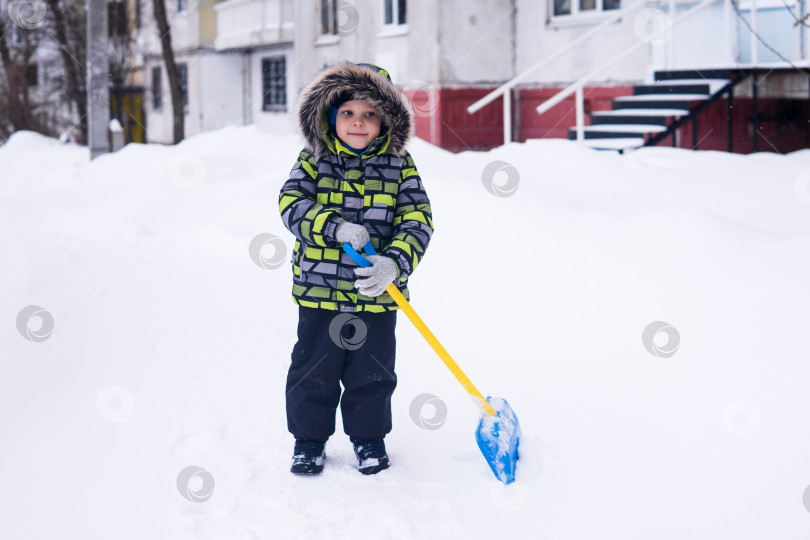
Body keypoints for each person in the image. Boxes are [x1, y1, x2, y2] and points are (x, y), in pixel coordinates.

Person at [278, 62, 434, 475]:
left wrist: (395, 263)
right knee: (314, 370)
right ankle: (309, 441)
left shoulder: (400, 164)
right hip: (319, 291)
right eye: (348, 113)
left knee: (373, 373)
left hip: (377, 292)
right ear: (330, 115)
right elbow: (291, 205)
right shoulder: (314, 159)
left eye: (369, 113)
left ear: (387, 118)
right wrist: (335, 227)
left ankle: (368, 440)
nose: (359, 123)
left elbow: (417, 219)